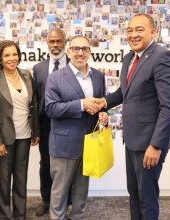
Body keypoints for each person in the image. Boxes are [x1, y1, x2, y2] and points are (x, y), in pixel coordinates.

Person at [95, 14, 170, 220]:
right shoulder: (129, 59)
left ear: (153, 32)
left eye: (139, 30)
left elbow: (169, 106)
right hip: (132, 139)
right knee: (134, 193)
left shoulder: (162, 57)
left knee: (146, 197)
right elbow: (125, 92)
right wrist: (103, 102)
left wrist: (156, 145)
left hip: (150, 142)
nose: (133, 35)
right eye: (130, 30)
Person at [45, 35, 108, 220]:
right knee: (59, 192)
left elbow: (101, 105)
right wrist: (81, 105)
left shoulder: (98, 76)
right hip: (64, 144)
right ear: (69, 51)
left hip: (90, 142)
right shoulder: (55, 78)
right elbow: (50, 109)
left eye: (85, 49)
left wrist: (103, 115)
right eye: (76, 49)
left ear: (89, 52)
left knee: (81, 191)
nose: (80, 53)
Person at [0, 40, 40, 220]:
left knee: (21, 179)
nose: (11, 58)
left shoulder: (26, 75)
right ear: (0, 57)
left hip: (25, 134)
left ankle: (20, 215)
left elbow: (34, 105)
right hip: (4, 138)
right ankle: (5, 216)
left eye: (14, 54)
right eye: (7, 55)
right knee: (4, 180)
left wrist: (36, 131)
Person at [32, 28, 72, 217]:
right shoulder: (39, 68)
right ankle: (46, 199)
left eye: (59, 41)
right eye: (52, 42)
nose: (55, 45)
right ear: (47, 43)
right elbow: (35, 101)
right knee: (46, 164)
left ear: (65, 42)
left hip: (70, 122)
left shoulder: (74, 65)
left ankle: (68, 200)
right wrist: (36, 129)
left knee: (70, 163)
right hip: (46, 125)